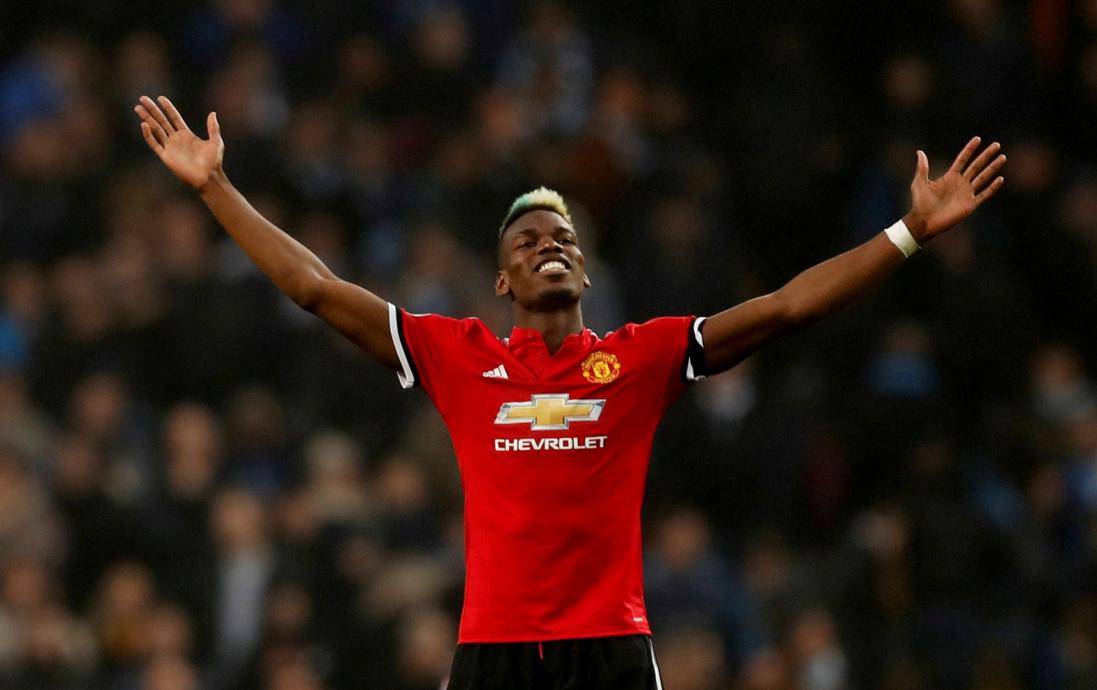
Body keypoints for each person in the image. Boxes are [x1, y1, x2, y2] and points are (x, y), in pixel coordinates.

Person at [133, 94, 1006, 690]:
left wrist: (907, 233)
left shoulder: (643, 355)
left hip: (610, 650)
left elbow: (783, 309)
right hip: (492, 651)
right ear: (502, 281)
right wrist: (215, 186)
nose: (547, 243)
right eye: (525, 239)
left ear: (583, 269)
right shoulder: (455, 354)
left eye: (561, 236)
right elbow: (316, 287)